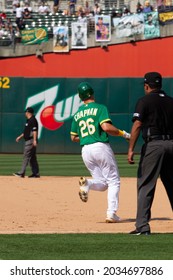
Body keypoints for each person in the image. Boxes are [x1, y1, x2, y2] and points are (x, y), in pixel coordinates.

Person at [70, 82, 130, 223]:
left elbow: (73, 137)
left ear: (80, 97)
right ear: (92, 93)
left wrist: (86, 137)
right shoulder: (100, 108)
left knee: (103, 184)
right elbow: (106, 127)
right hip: (100, 147)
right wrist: (123, 134)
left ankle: (88, 184)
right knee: (114, 181)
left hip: (85, 150)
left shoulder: (77, 114)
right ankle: (111, 213)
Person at [128, 72, 173, 235]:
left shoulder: (144, 101)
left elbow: (138, 124)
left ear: (147, 86)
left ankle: (142, 226)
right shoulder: (170, 101)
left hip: (154, 145)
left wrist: (131, 148)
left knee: (146, 185)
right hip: (171, 144)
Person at [13, 107, 40, 178]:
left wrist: (34, 140)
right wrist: (19, 137)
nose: (25, 113)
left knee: (26, 156)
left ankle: (22, 173)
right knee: (32, 158)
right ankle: (36, 173)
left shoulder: (33, 120)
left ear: (28, 112)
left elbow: (35, 130)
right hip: (29, 140)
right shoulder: (29, 120)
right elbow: (26, 132)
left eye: (26, 112)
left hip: (30, 141)